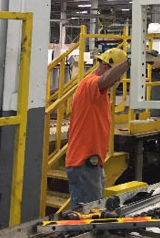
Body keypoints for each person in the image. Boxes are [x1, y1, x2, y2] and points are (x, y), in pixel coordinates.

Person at [65, 47, 129, 210]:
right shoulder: (90, 84)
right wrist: (129, 63)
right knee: (86, 216)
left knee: (94, 209)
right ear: (110, 68)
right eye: (118, 75)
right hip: (83, 163)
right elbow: (103, 80)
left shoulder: (99, 93)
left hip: (91, 163)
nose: (118, 80)